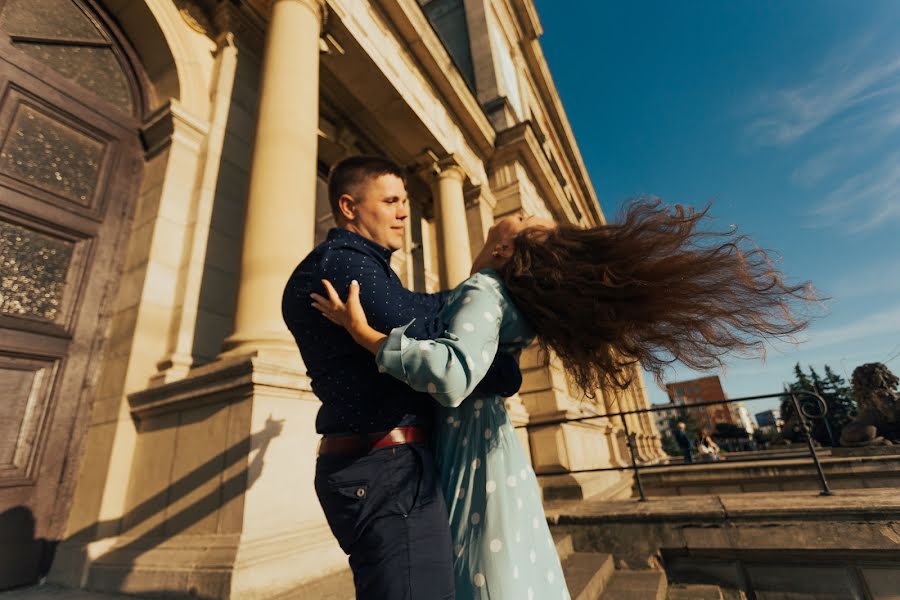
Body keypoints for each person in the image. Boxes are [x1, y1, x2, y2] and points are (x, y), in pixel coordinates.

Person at [313, 198, 813, 597]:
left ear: (507, 249)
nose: (521, 211)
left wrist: (367, 336)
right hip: (488, 445)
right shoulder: (491, 292)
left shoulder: (484, 290)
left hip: (470, 450)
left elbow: (454, 373)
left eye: (528, 220)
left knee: (481, 569)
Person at [281, 156, 521, 600]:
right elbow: (435, 336)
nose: (405, 212)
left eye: (406, 200)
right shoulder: (344, 265)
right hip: (384, 470)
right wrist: (484, 284)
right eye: (391, 200)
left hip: (385, 468)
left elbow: (429, 321)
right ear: (349, 207)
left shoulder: (365, 267)